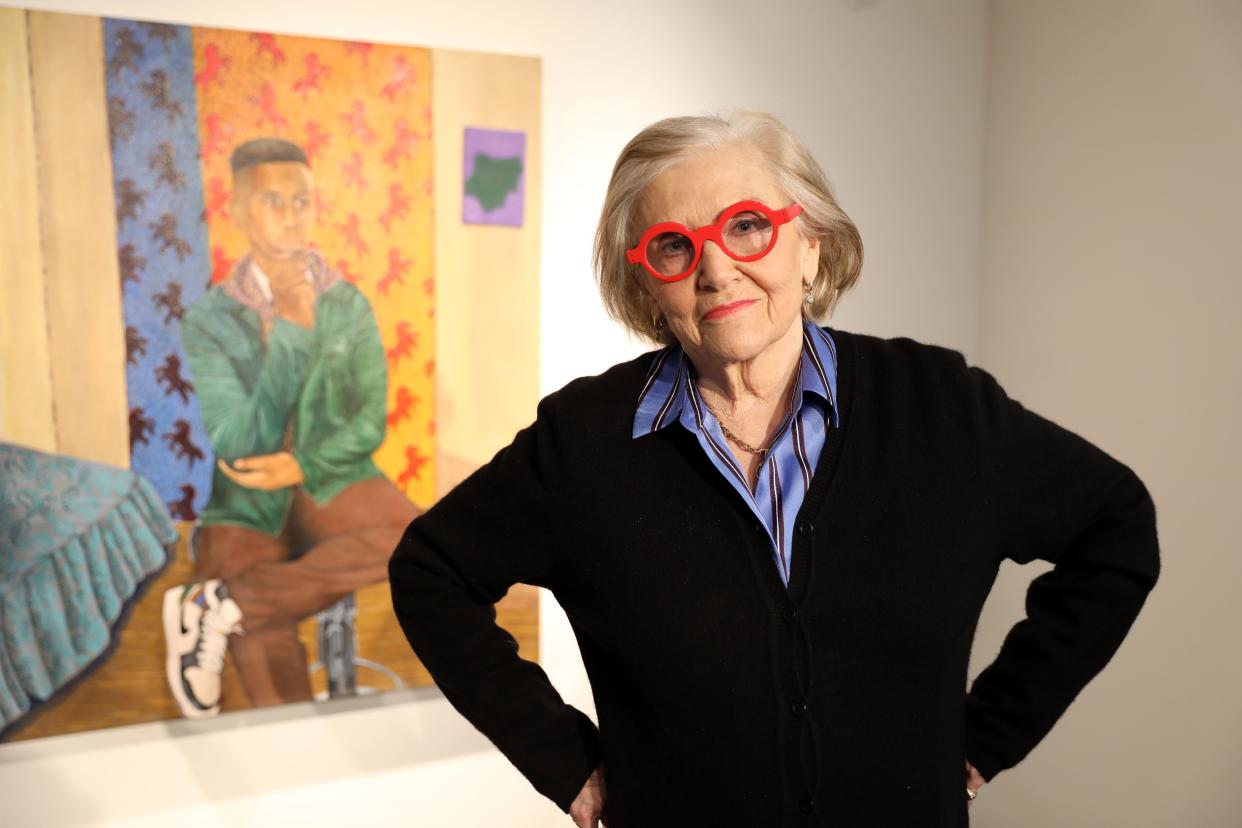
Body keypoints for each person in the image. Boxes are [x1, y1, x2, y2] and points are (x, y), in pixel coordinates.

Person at [387, 112, 1160, 826]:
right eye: (673, 246)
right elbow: (431, 571)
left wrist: (992, 734)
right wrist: (567, 763)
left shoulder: (940, 409)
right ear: (646, 284)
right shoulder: (585, 442)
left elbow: (1115, 526)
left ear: (811, 242)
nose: (717, 271)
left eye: (747, 227)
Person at [163, 138, 418, 718]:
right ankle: (296, 759)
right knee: (264, 654)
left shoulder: (347, 303)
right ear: (239, 210)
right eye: (272, 200)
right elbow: (237, 440)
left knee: (418, 541)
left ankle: (218, 603)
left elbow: (367, 422)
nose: (289, 215)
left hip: (332, 482)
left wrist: (304, 463)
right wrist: (294, 333)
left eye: (300, 200)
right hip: (247, 499)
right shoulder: (211, 319)